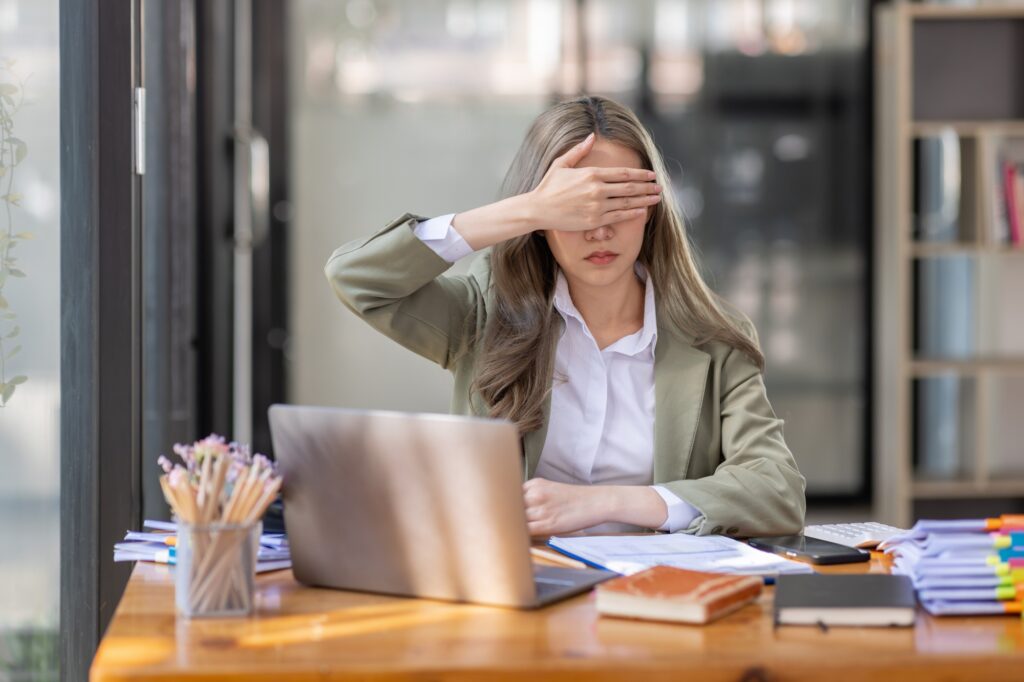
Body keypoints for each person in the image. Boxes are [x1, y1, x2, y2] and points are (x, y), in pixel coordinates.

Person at [325, 95, 805, 538]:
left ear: (652, 209)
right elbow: (358, 279)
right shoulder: (485, 312)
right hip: (521, 594)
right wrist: (526, 209)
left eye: (617, 200)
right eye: (576, 207)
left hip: (655, 599)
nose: (599, 228)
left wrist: (602, 504)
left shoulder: (714, 338)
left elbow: (777, 491)